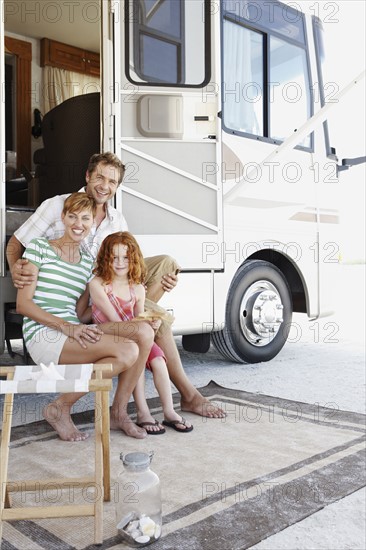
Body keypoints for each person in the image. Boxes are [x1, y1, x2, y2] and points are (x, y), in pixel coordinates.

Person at [7, 152, 226, 426]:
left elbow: (128, 266)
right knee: (153, 327)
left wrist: (158, 284)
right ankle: (185, 392)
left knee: (167, 265)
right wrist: (17, 270)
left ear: (117, 187)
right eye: (99, 177)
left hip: (104, 285)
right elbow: (16, 245)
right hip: (80, 294)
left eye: (112, 182)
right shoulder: (57, 206)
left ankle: (145, 312)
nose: (104, 185)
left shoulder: (115, 222)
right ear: (87, 176)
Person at [16, 192, 156, 442]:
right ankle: (60, 408)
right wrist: (68, 328)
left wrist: (116, 299)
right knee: (127, 352)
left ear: (92, 223)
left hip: (73, 329)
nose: (78, 224)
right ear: (63, 218)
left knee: (144, 331)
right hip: (44, 334)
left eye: (84, 218)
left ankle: (118, 413)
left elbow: (82, 314)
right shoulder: (39, 248)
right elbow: (23, 305)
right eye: (72, 216)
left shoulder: (87, 264)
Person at [90, 231, 193, 434]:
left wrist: (150, 323)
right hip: (112, 334)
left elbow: (137, 316)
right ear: (105, 259)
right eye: (114, 257)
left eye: (126, 257)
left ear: (134, 259)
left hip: (135, 331)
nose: (120, 263)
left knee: (159, 362)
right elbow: (116, 321)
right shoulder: (98, 285)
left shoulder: (136, 287)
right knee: (137, 358)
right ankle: (143, 412)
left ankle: (169, 412)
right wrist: (142, 329)